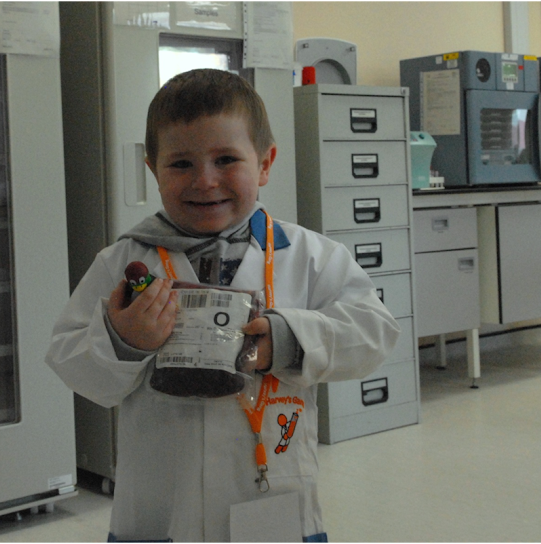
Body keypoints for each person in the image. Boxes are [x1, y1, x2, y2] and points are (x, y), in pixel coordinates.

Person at [46, 69, 401, 543]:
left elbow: (375, 331)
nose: (205, 181)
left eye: (226, 159)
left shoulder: (311, 257)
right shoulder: (123, 262)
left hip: (270, 494)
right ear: (152, 170)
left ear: (265, 164)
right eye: (181, 164)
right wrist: (122, 340)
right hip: (160, 508)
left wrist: (288, 340)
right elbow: (67, 356)